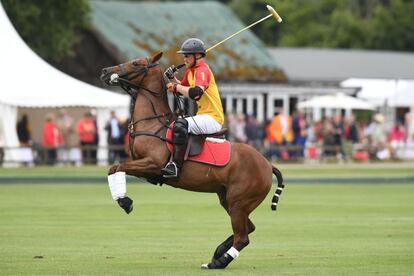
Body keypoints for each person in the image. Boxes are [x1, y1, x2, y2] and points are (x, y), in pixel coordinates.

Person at [161, 38, 224, 178]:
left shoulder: (202, 70)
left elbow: (195, 92)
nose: (184, 58)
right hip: (203, 116)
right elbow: (182, 89)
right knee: (175, 124)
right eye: (184, 55)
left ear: (198, 55)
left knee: (180, 124)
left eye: (187, 55)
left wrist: (176, 86)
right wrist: (172, 79)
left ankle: (176, 166)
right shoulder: (191, 71)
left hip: (213, 118)